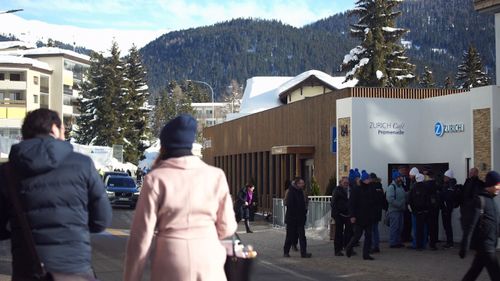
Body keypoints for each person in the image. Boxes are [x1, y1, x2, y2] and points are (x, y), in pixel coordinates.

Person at [0, 108, 112, 280]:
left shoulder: (7, 172)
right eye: (63, 129)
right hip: (74, 269)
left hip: (28, 270)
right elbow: (101, 220)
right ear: (54, 129)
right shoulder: (83, 165)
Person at [124, 114, 237, 281]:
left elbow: (141, 237)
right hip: (209, 257)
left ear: (164, 146)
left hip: (170, 259)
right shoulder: (216, 175)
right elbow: (227, 227)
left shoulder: (156, 179)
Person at [459, 171, 500, 281]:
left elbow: (495, 223)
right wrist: (464, 246)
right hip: (486, 246)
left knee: (473, 273)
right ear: (490, 185)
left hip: (488, 245)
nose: (499, 188)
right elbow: (471, 225)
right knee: (496, 275)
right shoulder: (480, 201)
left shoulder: (492, 201)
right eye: (497, 185)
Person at [345, 170, 376, 260]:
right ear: (364, 180)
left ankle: (366, 254)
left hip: (368, 217)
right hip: (359, 217)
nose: (369, 181)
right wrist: (352, 216)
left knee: (369, 236)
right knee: (357, 235)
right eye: (367, 179)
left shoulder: (371, 189)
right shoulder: (356, 190)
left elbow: (373, 202)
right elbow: (351, 204)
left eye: (369, 179)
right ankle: (349, 247)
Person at [283, 177, 312, 258]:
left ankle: (304, 252)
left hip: (300, 218)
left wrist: (304, 212)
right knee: (290, 235)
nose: (303, 184)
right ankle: (286, 251)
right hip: (292, 218)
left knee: (302, 236)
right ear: (297, 183)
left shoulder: (302, 192)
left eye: (303, 183)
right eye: (301, 183)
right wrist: (294, 214)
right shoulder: (290, 191)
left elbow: (304, 203)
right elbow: (289, 204)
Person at [408, 173, 430, 250]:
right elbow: (428, 200)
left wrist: (412, 210)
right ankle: (423, 244)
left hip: (416, 211)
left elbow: (410, 200)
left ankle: (417, 245)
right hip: (424, 211)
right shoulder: (426, 188)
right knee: (424, 228)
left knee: (417, 229)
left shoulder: (413, 188)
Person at [331, 176, 352, 256]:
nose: (346, 184)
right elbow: (333, 203)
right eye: (345, 183)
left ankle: (347, 247)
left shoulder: (349, 190)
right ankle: (337, 250)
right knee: (338, 232)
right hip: (339, 214)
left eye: (347, 182)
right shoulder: (337, 190)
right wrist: (335, 214)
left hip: (347, 214)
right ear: (341, 183)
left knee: (348, 232)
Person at [386, 169, 407, 248]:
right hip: (394, 211)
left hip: (400, 210)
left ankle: (398, 241)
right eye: (398, 177)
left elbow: (404, 195)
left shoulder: (400, 186)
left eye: (400, 177)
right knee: (394, 227)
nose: (400, 179)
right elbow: (390, 199)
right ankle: (393, 242)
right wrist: (399, 204)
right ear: (394, 178)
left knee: (400, 227)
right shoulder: (391, 187)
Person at [440, 169, 457, 248]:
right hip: (446, 207)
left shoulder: (450, 186)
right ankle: (449, 241)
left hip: (447, 208)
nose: (444, 178)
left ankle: (449, 242)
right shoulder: (448, 185)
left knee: (447, 225)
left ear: (448, 177)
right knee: (446, 225)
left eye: (445, 176)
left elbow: (448, 196)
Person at [425, 170, 440, 250]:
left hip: (428, 207)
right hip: (435, 207)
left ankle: (426, 240)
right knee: (434, 225)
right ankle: (433, 242)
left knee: (427, 225)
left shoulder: (426, 185)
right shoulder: (437, 184)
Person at [370, 173, 385, 254]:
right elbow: (382, 198)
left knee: (372, 230)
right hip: (378, 211)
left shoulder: (371, 187)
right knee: (375, 229)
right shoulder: (380, 187)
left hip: (372, 211)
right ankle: (376, 246)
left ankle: (373, 246)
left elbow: (370, 199)